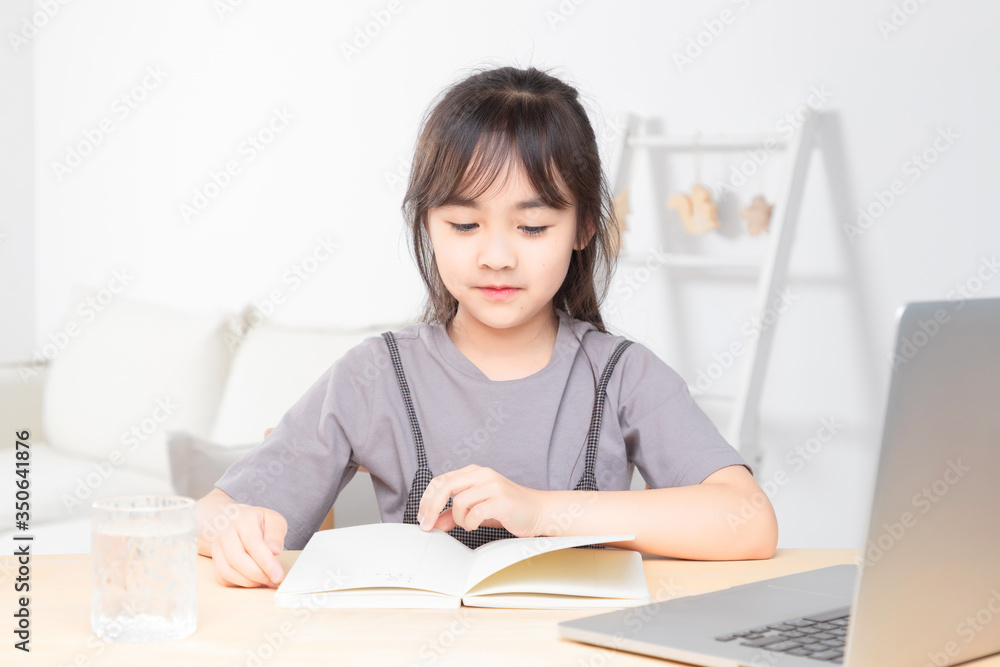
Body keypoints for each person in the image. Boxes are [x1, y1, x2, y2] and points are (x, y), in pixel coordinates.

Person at [196, 65, 778, 589]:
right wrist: (234, 527)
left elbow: (748, 520)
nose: (496, 257)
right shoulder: (376, 374)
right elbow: (211, 514)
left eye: (532, 228)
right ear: (428, 225)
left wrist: (540, 512)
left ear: (582, 229)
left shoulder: (621, 375)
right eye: (465, 224)